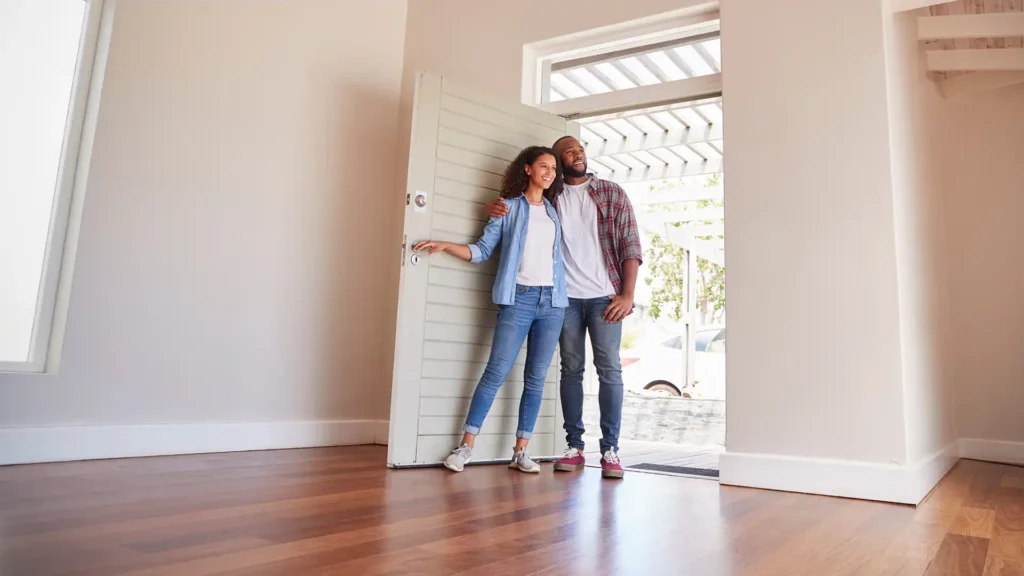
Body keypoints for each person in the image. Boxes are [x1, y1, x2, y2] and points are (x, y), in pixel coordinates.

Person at [484, 136, 641, 479]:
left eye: (580, 148)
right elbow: (519, 207)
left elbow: (631, 243)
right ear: (555, 161)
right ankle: (575, 446)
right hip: (563, 298)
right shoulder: (551, 196)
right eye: (569, 151)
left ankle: (611, 449)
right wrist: (495, 208)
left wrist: (627, 294)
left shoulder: (611, 192)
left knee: (609, 369)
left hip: (605, 296)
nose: (578, 153)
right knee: (570, 370)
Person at [413, 146, 567, 474]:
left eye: (553, 168)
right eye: (543, 166)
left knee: (536, 378)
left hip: (553, 303)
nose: (550, 172)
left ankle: (521, 451)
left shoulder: (555, 212)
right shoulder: (507, 208)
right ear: (527, 169)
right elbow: (482, 251)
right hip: (519, 299)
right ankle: (466, 446)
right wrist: (445, 245)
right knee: (495, 373)